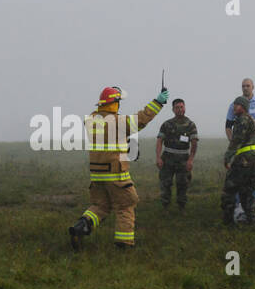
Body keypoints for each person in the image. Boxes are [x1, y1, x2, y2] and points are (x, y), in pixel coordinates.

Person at [69, 85, 167, 250]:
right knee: (126, 204)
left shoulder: (91, 120)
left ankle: (80, 227)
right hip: (115, 173)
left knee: (101, 206)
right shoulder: (117, 122)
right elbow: (141, 119)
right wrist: (158, 102)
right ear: (114, 103)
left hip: (97, 174)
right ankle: (124, 245)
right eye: (119, 102)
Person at [224, 78, 255, 204]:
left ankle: (254, 203)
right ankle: (240, 204)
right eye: (243, 86)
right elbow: (228, 125)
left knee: (253, 176)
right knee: (239, 175)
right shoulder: (234, 104)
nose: (245, 88)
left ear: (253, 87)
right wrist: (232, 140)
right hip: (240, 146)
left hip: (253, 146)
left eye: (248, 86)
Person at [221, 96, 255, 225]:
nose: (234, 107)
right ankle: (254, 222)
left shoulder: (242, 120)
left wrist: (227, 158)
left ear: (243, 107)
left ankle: (228, 223)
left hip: (244, 161)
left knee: (229, 191)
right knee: (247, 193)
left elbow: (236, 141)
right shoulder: (251, 120)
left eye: (236, 105)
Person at [155, 98, 197, 210]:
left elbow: (194, 143)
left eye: (181, 107)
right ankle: (165, 207)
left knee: (183, 184)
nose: (180, 109)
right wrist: (158, 157)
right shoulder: (166, 124)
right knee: (165, 184)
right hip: (167, 157)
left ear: (185, 108)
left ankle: (181, 207)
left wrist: (190, 160)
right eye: (177, 107)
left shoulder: (190, 125)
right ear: (173, 109)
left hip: (183, 158)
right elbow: (159, 141)